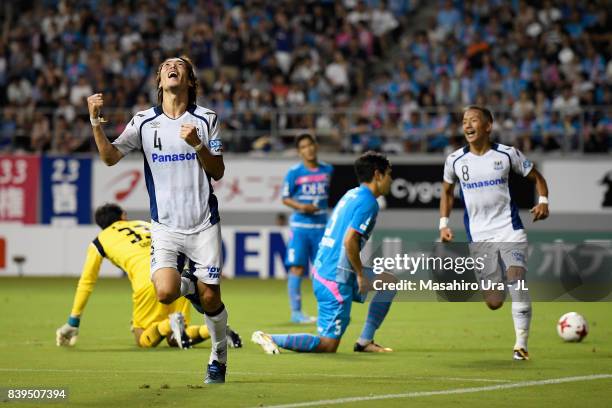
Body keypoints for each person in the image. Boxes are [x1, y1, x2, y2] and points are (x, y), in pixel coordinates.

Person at [86, 56, 229, 383]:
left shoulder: (207, 119)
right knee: (165, 292)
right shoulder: (143, 122)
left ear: (190, 81)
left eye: (178, 65)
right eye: (165, 66)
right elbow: (110, 158)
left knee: (211, 300)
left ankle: (218, 356)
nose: (171, 67)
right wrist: (96, 123)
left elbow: (218, 171)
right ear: (159, 81)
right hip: (164, 226)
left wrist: (197, 146)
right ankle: (191, 285)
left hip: (203, 223)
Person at [252, 151, 396, 354]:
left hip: (329, 270)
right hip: (335, 278)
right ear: (378, 174)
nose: (391, 179)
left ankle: (365, 342)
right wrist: (361, 275)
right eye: (389, 174)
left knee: (388, 282)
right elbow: (349, 241)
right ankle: (270, 337)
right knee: (328, 345)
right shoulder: (368, 202)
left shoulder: (351, 194)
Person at [439, 105, 549, 361]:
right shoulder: (455, 160)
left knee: (517, 278)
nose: (467, 125)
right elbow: (445, 191)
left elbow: (537, 177)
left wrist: (543, 199)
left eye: (473, 120)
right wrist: (443, 224)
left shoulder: (507, 154)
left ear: (488, 126)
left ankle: (521, 345)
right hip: (479, 236)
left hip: (509, 229)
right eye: (465, 121)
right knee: (494, 301)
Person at [55, 204, 242, 350]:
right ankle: (214, 330)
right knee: (176, 339)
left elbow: (87, 282)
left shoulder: (100, 240)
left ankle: (169, 324)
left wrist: (74, 321)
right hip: (175, 278)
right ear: (123, 216)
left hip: (148, 283)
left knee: (141, 337)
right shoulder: (145, 224)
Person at [281, 134, 333, 323]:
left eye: (310, 145)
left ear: (316, 146)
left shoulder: (329, 170)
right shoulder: (294, 172)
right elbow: (285, 197)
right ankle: (296, 313)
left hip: (322, 227)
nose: (308, 149)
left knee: (324, 270)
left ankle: (327, 312)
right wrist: (302, 207)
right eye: (303, 147)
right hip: (300, 228)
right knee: (296, 268)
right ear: (299, 151)